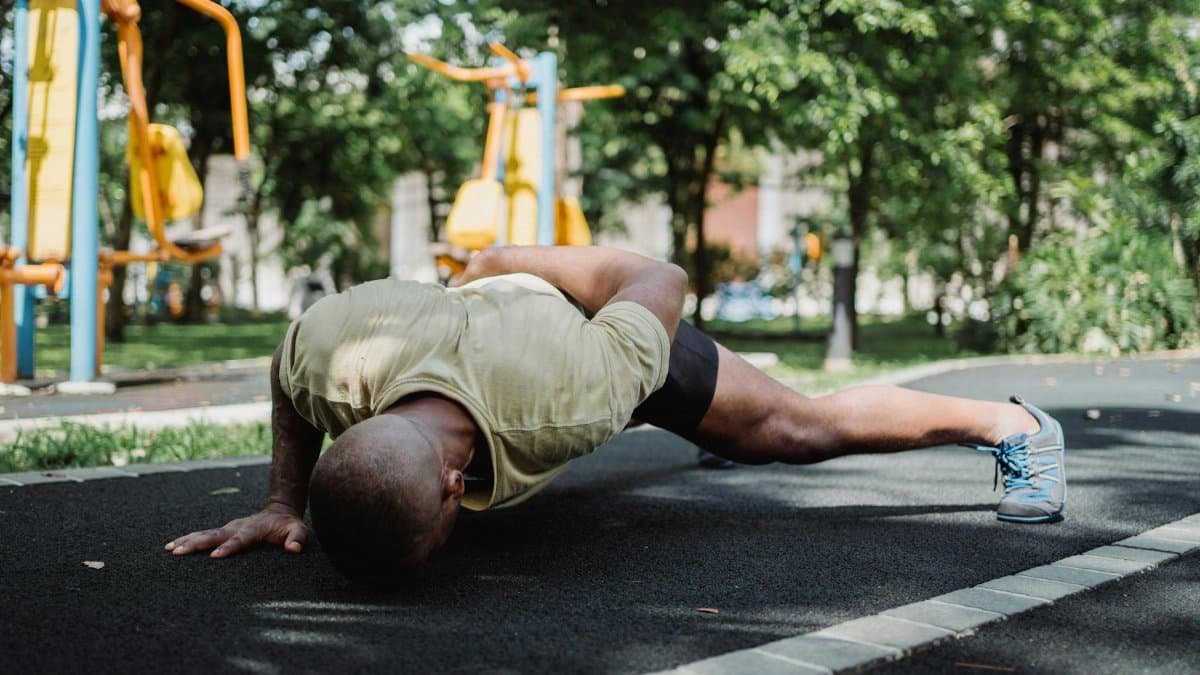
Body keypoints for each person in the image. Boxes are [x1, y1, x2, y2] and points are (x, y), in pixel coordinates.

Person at [164, 246, 1066, 583]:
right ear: (354, 415)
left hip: (590, 314)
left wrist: (521, 254)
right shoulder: (331, 355)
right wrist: (283, 498)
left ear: (454, 483)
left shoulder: (577, 396)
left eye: (439, 535)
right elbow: (285, 376)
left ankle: (1013, 424)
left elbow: (659, 281)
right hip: (483, 330)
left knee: (790, 428)